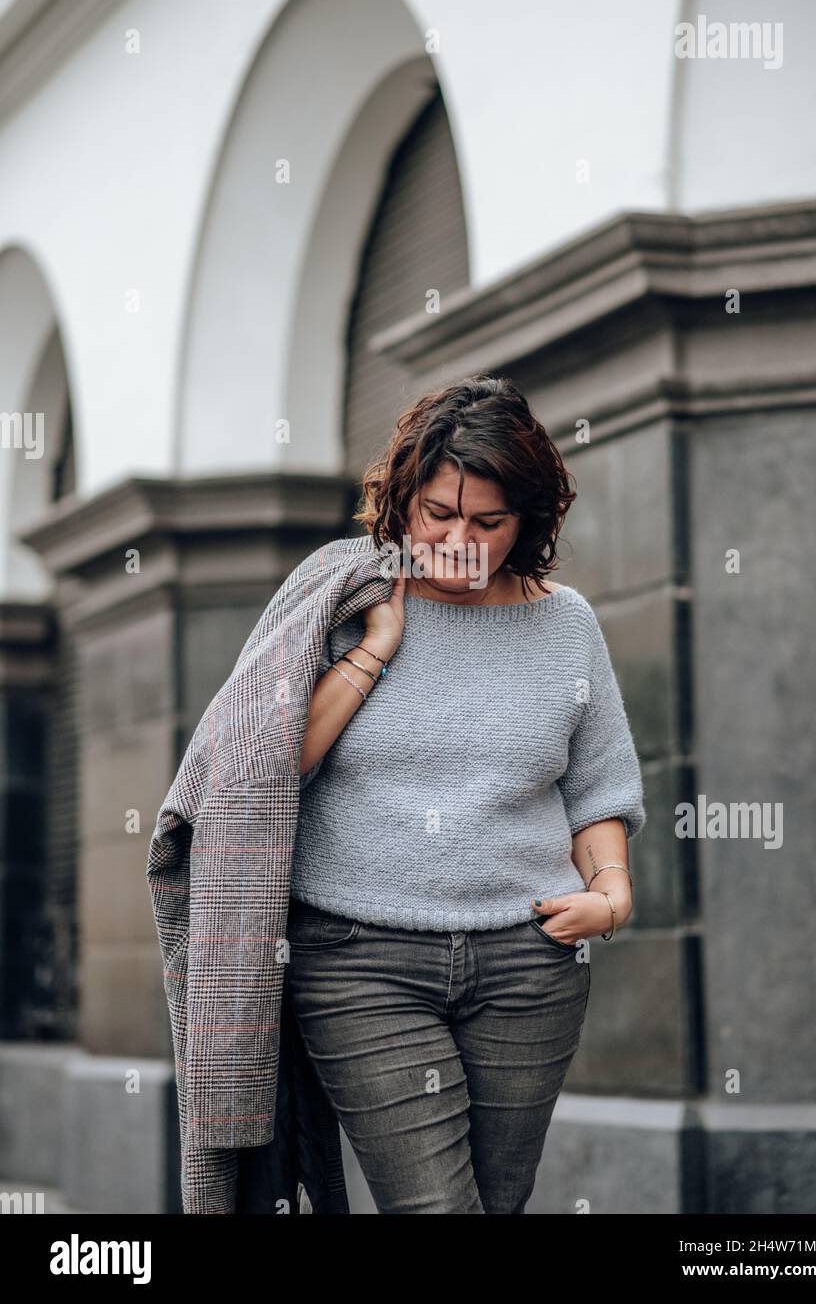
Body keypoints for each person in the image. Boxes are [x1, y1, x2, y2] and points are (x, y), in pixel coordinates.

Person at [286, 373, 645, 1213]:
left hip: (529, 963)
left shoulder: (566, 624)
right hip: (359, 961)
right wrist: (376, 645)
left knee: (498, 1203)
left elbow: (597, 785)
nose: (458, 540)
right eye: (437, 515)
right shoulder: (341, 597)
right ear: (402, 500)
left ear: (528, 520)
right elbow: (271, 764)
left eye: (487, 522)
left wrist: (611, 894)